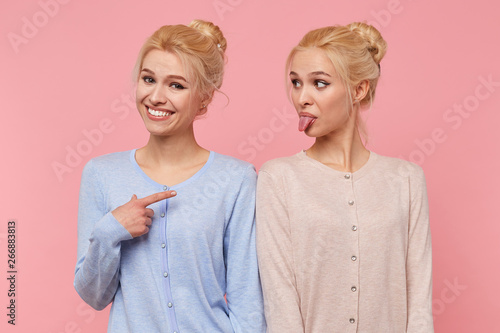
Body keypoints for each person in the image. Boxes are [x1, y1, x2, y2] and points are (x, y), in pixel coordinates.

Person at [74, 20, 266, 333]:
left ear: (204, 97)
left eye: (176, 85)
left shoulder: (236, 180)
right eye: (148, 79)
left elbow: (248, 300)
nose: (156, 97)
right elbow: (93, 296)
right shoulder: (102, 174)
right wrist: (111, 230)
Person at [256, 22, 433, 332]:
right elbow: (279, 298)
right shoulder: (279, 178)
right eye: (296, 83)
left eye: (319, 83)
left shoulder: (406, 180)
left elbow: (419, 300)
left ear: (358, 89)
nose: (302, 98)